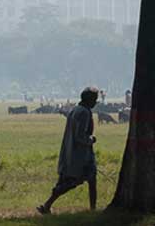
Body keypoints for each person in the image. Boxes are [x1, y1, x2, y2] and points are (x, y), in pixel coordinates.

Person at [37, 87, 99, 215]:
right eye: (94, 99)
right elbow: (80, 136)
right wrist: (91, 139)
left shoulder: (75, 110)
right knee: (75, 181)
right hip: (81, 156)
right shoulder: (84, 113)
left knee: (72, 181)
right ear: (90, 100)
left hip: (71, 152)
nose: (96, 102)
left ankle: (47, 205)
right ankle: (93, 210)